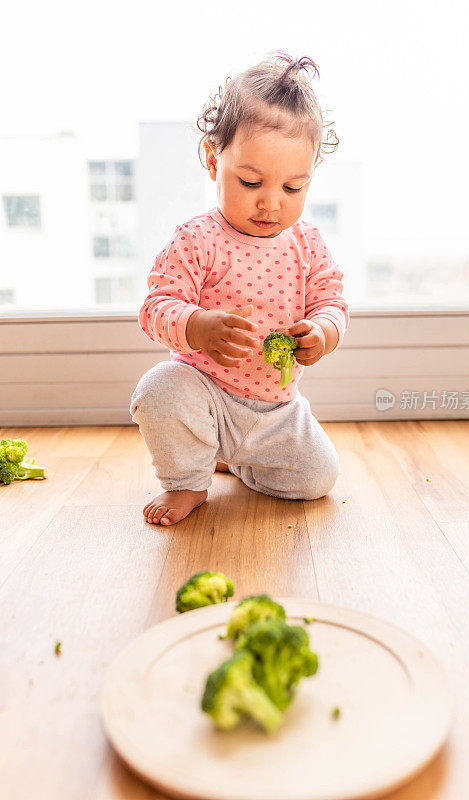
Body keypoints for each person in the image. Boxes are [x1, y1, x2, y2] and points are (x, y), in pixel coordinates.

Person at [130, 51, 350, 525]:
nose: (271, 203)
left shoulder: (307, 244)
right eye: (251, 181)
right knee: (160, 389)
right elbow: (155, 308)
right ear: (214, 159)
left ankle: (234, 457)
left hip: (276, 410)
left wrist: (323, 332)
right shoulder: (197, 239)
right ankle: (189, 480)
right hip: (205, 392)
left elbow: (332, 301)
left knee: (319, 479)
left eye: (293, 188)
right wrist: (196, 325)